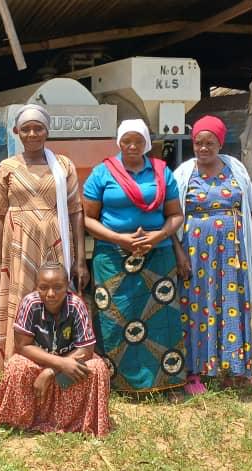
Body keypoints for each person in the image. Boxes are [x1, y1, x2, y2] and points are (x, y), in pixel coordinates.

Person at [82, 119, 185, 395]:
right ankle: (116, 382)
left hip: (157, 254)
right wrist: (120, 239)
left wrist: (158, 236)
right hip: (112, 256)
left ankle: (165, 382)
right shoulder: (101, 173)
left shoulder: (162, 172)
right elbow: (87, 219)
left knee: (161, 319)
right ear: (118, 142)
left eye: (138, 141)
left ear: (146, 143)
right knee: (114, 317)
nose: (132, 146)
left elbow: (176, 215)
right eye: (126, 141)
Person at [0, 104, 88, 369]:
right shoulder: (7, 167)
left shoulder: (63, 165)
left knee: (54, 297)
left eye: (38, 128)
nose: (32, 134)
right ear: (16, 132)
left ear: (47, 131)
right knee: (21, 299)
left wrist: (80, 261)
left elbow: (76, 212)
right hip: (18, 244)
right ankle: (18, 365)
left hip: (55, 242)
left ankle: (57, 361)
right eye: (26, 129)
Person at [173, 116, 252, 395]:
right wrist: (178, 254)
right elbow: (171, 215)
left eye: (210, 143)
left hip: (232, 253)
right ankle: (194, 371)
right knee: (196, 306)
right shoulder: (184, 173)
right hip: (194, 253)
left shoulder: (236, 170)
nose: (203, 148)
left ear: (220, 143)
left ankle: (235, 370)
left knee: (232, 303)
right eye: (198, 142)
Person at [0, 262, 111, 436]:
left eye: (58, 287)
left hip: (69, 365)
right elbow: (22, 346)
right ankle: (22, 419)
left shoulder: (76, 305)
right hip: (39, 363)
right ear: (36, 286)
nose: (50, 294)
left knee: (97, 368)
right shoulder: (29, 303)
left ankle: (78, 422)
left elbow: (86, 349)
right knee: (16, 365)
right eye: (43, 288)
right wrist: (59, 364)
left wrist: (52, 371)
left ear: (67, 285)